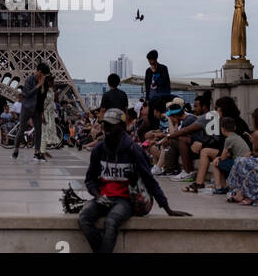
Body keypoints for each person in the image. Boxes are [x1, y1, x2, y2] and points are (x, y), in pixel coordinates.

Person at [78, 108, 188, 253]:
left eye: (112, 125)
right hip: (103, 197)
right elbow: (90, 179)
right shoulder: (99, 149)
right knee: (84, 219)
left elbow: (150, 180)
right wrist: (97, 195)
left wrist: (167, 207)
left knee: (111, 222)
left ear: (122, 127)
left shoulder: (133, 149)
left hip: (125, 200)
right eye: (106, 125)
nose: (108, 129)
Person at [187, 116, 250, 194]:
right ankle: (223, 186)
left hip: (238, 164)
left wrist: (217, 158)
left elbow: (223, 156)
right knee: (220, 162)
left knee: (216, 163)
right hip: (245, 162)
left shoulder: (228, 139)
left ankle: (218, 187)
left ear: (222, 129)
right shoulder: (237, 137)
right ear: (235, 127)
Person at [10, 63, 49, 161]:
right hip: (27, 108)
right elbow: (26, 94)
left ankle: (37, 152)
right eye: (44, 74)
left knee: (38, 130)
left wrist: (42, 85)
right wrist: (38, 85)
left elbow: (43, 96)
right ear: (39, 72)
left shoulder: (44, 81)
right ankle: (16, 149)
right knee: (21, 129)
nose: (44, 76)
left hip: (37, 108)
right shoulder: (29, 79)